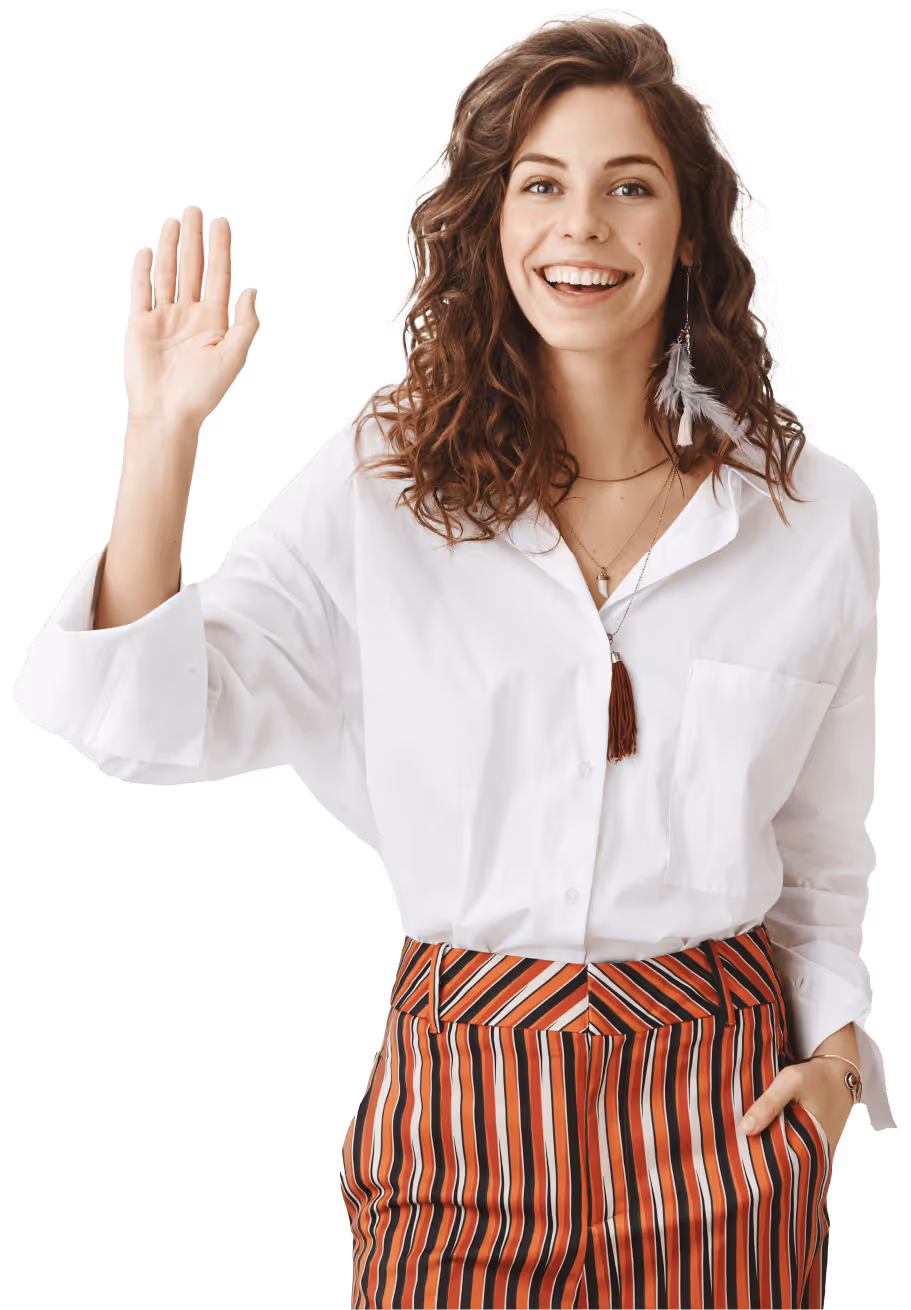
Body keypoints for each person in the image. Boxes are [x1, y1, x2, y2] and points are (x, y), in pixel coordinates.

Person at [13, 10, 893, 1309]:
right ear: (489, 224)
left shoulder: (813, 514)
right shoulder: (384, 476)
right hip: (463, 1097)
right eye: (540, 185)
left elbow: (821, 849)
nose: (579, 226)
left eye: (628, 187)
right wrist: (164, 434)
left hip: (720, 1101)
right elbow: (154, 719)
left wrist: (832, 1067)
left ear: (690, 231)